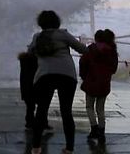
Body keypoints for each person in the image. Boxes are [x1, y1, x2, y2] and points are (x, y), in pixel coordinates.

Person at [28, 10, 88, 154]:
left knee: (41, 110)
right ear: (57, 22)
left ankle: (36, 147)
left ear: (40, 23)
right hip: (66, 75)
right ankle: (69, 148)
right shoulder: (63, 34)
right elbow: (82, 50)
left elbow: (30, 53)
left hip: (45, 75)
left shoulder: (37, 37)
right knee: (66, 112)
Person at [79, 29, 118, 143]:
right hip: (104, 84)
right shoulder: (112, 51)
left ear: (96, 38)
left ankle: (94, 128)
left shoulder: (91, 49)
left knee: (89, 106)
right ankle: (101, 130)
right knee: (100, 108)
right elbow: (114, 69)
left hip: (91, 81)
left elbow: (82, 63)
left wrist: (84, 76)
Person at [18, 51, 52, 132]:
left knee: (30, 107)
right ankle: (43, 122)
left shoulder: (25, 60)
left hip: (27, 87)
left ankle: (30, 122)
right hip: (37, 86)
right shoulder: (38, 61)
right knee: (43, 105)